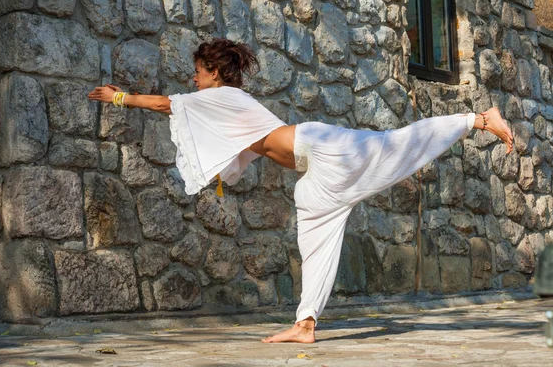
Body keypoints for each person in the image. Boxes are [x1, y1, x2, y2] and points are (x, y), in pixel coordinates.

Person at [88, 38, 514, 344]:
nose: (194, 80)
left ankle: (478, 118)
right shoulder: (223, 101)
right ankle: (305, 324)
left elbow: (167, 104)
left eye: (198, 72)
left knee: (394, 146)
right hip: (315, 170)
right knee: (315, 239)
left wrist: (119, 97)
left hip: (323, 147)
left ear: (214, 73)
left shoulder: (220, 95)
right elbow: (228, 141)